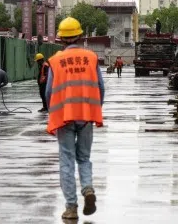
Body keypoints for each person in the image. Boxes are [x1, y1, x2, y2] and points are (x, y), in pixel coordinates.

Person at [46, 17, 105, 221]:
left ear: (61, 39)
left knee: (66, 161)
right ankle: (88, 188)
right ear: (79, 36)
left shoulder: (55, 61)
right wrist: (95, 109)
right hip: (86, 116)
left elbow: (49, 92)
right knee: (84, 158)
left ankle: (71, 207)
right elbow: (100, 87)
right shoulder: (91, 57)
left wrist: (52, 112)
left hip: (64, 117)